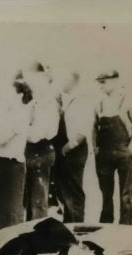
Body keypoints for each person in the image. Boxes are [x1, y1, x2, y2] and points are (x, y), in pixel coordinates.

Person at [94, 70, 132, 224]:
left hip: (123, 150)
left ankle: (126, 226)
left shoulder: (127, 99)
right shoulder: (100, 101)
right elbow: (94, 127)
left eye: (103, 82)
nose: (100, 86)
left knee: (126, 193)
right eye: (99, 83)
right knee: (106, 193)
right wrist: (96, 148)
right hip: (104, 151)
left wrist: (129, 150)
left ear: (115, 81)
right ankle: (106, 224)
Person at [52, 71, 93, 222]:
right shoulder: (69, 101)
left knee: (74, 193)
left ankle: (77, 230)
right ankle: (69, 226)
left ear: (71, 81)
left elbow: (81, 133)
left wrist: (66, 149)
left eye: (63, 80)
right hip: (68, 152)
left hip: (74, 151)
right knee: (66, 193)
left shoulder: (82, 101)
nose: (60, 83)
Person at [0, 77, 31, 230]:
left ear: (20, 95)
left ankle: (14, 243)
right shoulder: (9, 113)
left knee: (11, 207)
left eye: (10, 93)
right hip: (4, 162)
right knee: (4, 206)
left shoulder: (20, 113)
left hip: (12, 163)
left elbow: (0, 138)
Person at [22, 62, 61, 220]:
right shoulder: (33, 102)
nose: (29, 83)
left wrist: (17, 131)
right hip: (30, 151)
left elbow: (38, 134)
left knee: (38, 201)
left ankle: (41, 240)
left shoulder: (48, 102)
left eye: (31, 79)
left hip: (40, 151)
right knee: (29, 201)